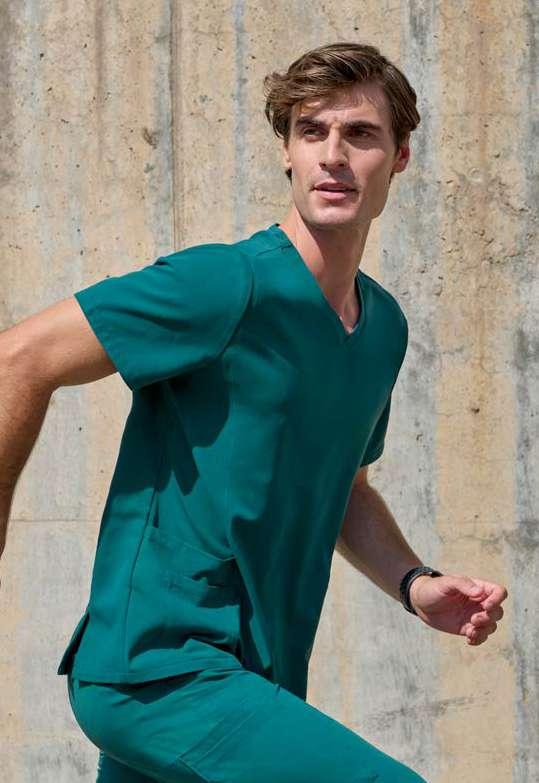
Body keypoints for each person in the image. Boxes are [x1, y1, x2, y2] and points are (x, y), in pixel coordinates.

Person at [0, 41, 507, 783]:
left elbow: (345, 488)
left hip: (254, 676)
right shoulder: (223, 283)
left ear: (399, 157)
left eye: (360, 134)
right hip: (162, 670)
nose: (333, 155)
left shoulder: (382, 330)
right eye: (312, 131)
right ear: (286, 153)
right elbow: (19, 358)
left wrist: (414, 583)